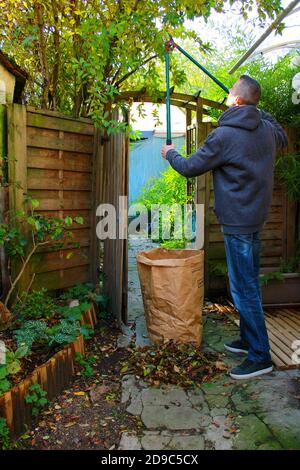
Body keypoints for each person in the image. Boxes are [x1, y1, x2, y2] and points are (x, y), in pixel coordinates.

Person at [161, 75, 288, 379]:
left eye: (231, 94)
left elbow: (190, 167)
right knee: (249, 282)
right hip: (256, 218)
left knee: (242, 288)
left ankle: (260, 356)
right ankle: (248, 340)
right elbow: (281, 131)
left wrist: (170, 154)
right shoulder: (268, 131)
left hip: (237, 223)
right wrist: (256, 109)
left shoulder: (224, 135)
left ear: (238, 101)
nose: (228, 97)